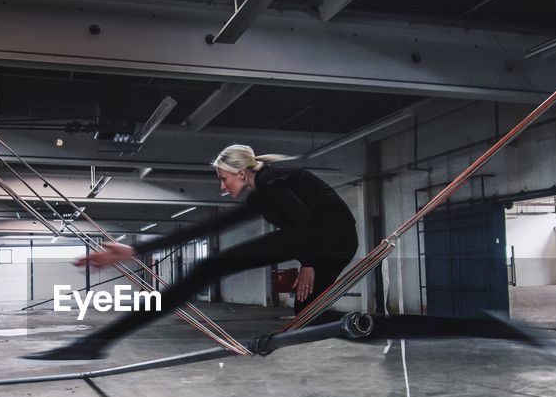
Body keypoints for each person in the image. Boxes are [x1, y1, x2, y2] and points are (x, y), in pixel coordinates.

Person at [23, 144, 359, 360]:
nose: (222, 186)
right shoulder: (264, 190)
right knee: (305, 313)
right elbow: (213, 226)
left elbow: (306, 225)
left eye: (223, 178)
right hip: (333, 243)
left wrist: (309, 262)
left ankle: (96, 343)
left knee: (208, 267)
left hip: (329, 242)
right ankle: (371, 326)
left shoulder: (272, 182)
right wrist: (135, 249)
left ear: (241, 173)